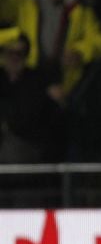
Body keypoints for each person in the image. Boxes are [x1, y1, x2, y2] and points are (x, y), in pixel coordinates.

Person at [0, 0, 101, 100]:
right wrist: (14, 39)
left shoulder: (78, 9)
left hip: (61, 79)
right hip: (25, 75)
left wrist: (80, 51)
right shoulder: (22, 2)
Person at [0, 35, 64, 163]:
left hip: (27, 144)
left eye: (19, 53)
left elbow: (35, 118)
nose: (14, 58)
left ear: (26, 55)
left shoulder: (37, 80)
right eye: (10, 52)